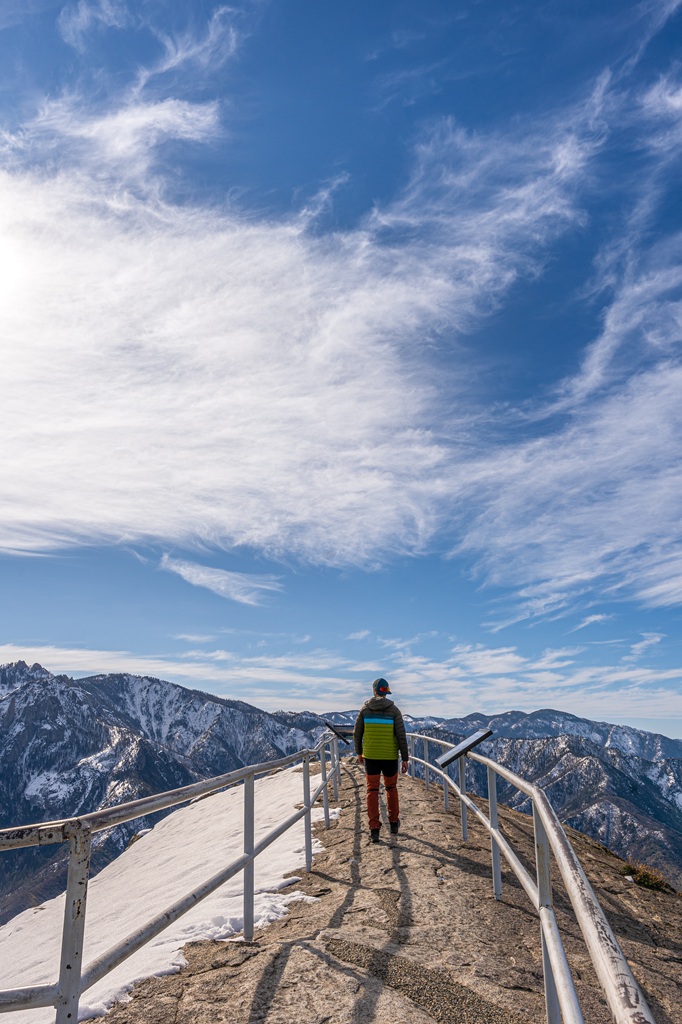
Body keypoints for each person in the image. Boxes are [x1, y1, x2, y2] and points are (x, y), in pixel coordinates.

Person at [353, 677, 409, 843]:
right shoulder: (394, 711)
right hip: (390, 756)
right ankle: (393, 823)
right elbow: (401, 736)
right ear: (386, 692)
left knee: (372, 790)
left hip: (371, 756)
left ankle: (374, 828)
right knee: (391, 788)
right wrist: (405, 758)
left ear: (374, 691)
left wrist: (359, 753)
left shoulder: (365, 710)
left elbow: (357, 733)